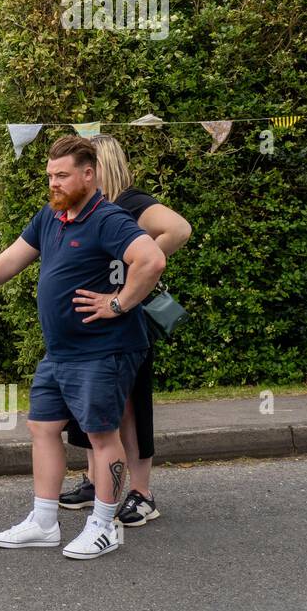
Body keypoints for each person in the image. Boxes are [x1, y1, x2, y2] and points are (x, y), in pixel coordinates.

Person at [0, 135, 166, 560]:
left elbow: (152, 259)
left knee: (104, 436)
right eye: (50, 175)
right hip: (60, 351)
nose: (54, 183)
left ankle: (104, 526)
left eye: (62, 175)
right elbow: (12, 257)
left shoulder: (109, 219)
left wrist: (118, 302)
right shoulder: (52, 216)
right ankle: (44, 521)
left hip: (104, 350)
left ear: (89, 174)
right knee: (42, 428)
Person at [59, 134, 191, 526]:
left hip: (125, 320)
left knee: (130, 407)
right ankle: (93, 480)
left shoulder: (129, 203)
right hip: (89, 322)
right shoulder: (86, 207)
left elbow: (178, 229)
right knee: (91, 402)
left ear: (98, 167)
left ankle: (141, 492)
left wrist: (133, 278)